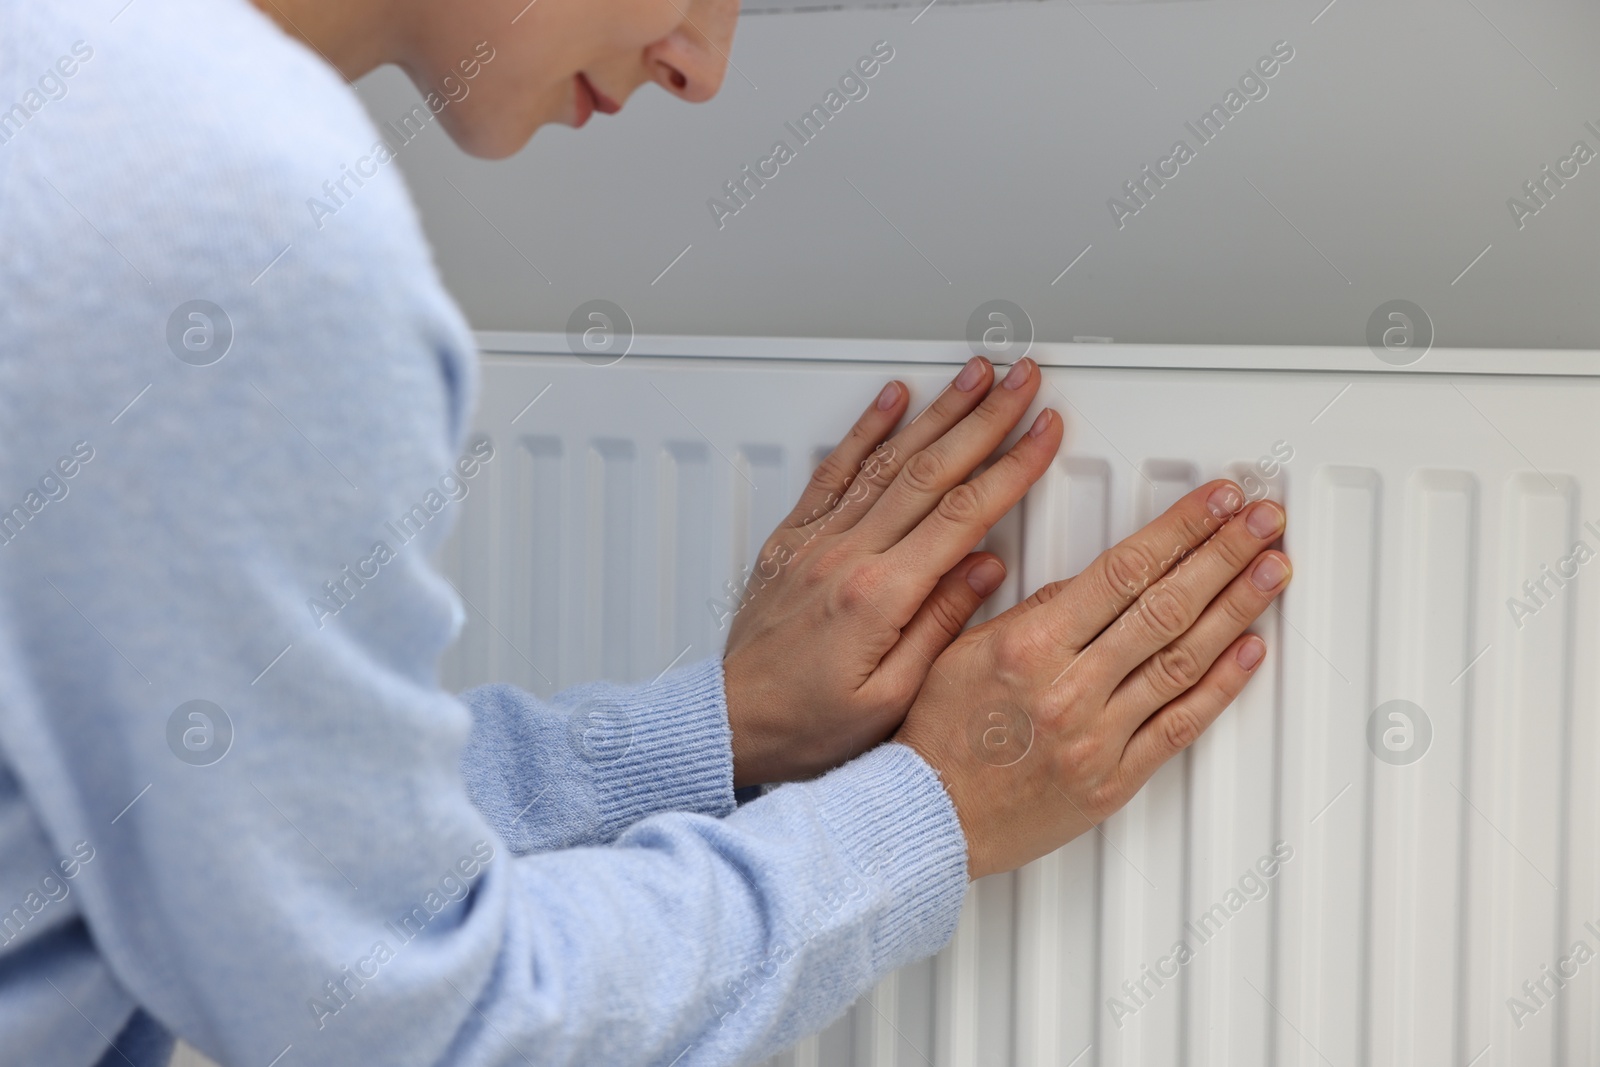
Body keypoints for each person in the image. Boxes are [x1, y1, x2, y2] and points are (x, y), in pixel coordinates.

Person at [0, 0, 1293, 1063]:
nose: (705, 66)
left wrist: (717, 732)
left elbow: (185, 812)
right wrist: (929, 813)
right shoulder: (224, 220)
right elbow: (407, 1024)